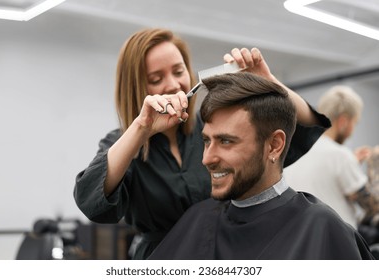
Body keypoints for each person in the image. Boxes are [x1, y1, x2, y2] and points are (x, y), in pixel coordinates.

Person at [73, 28, 330, 259]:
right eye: (155, 79)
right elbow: (91, 200)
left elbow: (304, 126)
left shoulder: (211, 128)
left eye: (178, 71)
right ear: (136, 87)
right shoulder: (125, 142)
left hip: (228, 252)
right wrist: (141, 129)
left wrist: (269, 82)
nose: (173, 85)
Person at [148, 72, 374, 260]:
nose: (207, 158)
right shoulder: (197, 220)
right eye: (207, 141)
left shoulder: (321, 229)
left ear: (274, 145)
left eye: (226, 141)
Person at [283, 86, 379, 231]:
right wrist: (375, 162)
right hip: (335, 245)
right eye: (354, 123)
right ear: (343, 121)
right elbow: (374, 206)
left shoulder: (294, 151)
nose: (352, 130)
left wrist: (352, 163)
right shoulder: (340, 155)